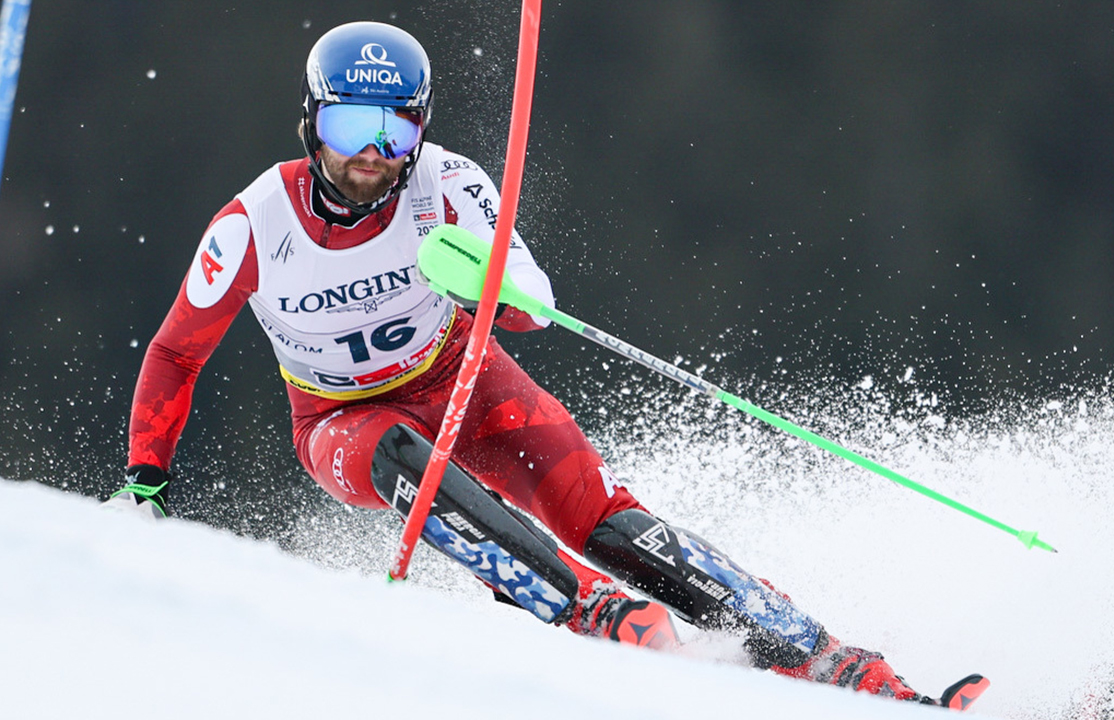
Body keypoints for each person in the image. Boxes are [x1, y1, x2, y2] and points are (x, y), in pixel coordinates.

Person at [104, 20, 985, 710]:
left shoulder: (446, 184)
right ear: (312, 121)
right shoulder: (255, 223)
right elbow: (178, 350)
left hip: (465, 380)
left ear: (421, 127)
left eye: (396, 126)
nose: (371, 152)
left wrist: (485, 281)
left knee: (599, 512)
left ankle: (832, 661)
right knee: (403, 463)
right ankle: (584, 607)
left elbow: (531, 301)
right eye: (347, 125)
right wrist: (147, 480)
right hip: (339, 419)